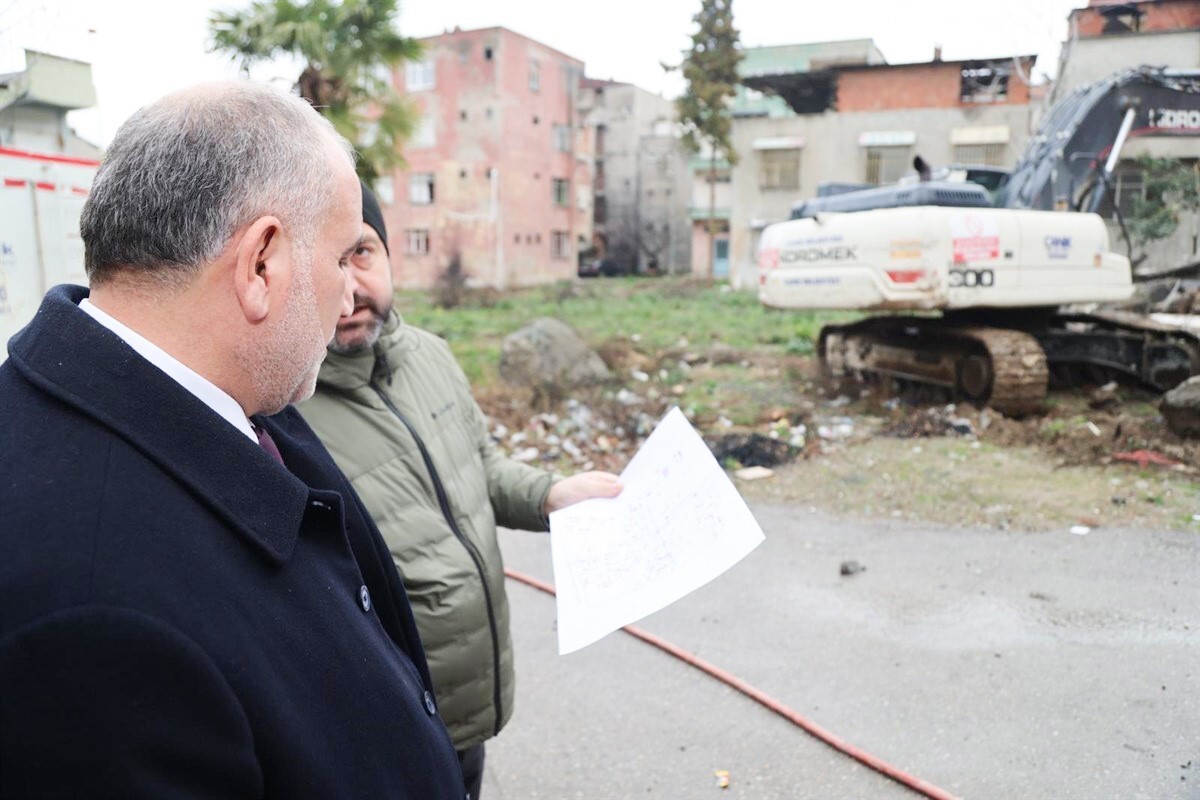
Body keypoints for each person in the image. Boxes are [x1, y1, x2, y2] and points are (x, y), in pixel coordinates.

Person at [0, 83, 464, 798]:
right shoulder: (93, 623)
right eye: (343, 258)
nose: (349, 295)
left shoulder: (228, 392)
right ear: (261, 265)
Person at [298, 182, 622, 799]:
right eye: (326, 261)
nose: (350, 289)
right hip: (386, 720)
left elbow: (481, 470)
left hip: (467, 704)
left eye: (361, 252)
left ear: (390, 255)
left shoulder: (432, 357)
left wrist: (553, 494)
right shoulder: (285, 411)